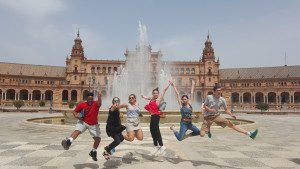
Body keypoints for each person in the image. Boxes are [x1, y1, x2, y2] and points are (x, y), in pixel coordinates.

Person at [61, 91, 102, 161]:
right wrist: (77, 116)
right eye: (89, 99)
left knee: (98, 139)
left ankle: (93, 152)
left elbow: (99, 103)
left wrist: (99, 97)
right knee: (77, 131)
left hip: (93, 124)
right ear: (86, 99)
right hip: (83, 122)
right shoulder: (82, 105)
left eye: (91, 99)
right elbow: (74, 111)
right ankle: (68, 142)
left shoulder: (95, 104)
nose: (90, 101)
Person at [142, 83, 171, 156]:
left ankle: (162, 145)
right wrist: (144, 97)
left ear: (158, 94)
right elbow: (148, 98)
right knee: (152, 131)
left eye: (156, 93)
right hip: (152, 116)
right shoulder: (152, 98)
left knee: (156, 130)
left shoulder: (158, 99)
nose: (155, 94)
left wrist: (168, 84)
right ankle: (156, 146)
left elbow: (164, 91)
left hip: (156, 116)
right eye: (154, 93)